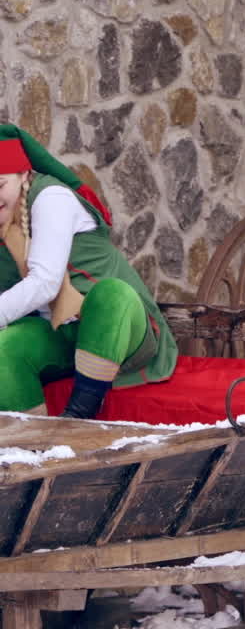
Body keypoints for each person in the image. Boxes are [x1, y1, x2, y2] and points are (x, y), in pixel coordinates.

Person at [0, 125, 176, 419]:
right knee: (4, 349)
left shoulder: (51, 197)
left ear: (22, 174)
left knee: (110, 293)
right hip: (59, 333)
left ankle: (79, 418)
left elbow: (45, 283)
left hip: (117, 329)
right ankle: (31, 445)